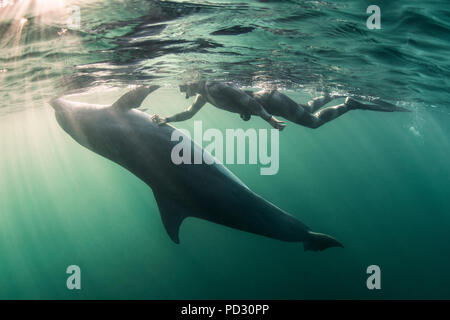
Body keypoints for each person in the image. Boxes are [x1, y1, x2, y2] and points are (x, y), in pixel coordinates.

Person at [151, 81, 409, 130]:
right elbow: (187, 113)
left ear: (191, 79)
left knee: (314, 122)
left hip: (270, 102)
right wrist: (166, 120)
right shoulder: (203, 96)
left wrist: (270, 120)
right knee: (307, 110)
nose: (180, 90)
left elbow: (249, 101)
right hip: (270, 102)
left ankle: (349, 104)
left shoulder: (215, 86)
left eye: (181, 85)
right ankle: (331, 94)